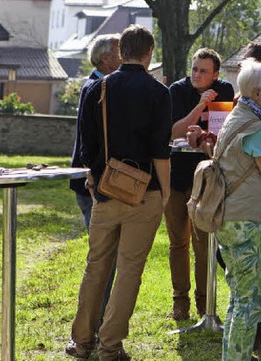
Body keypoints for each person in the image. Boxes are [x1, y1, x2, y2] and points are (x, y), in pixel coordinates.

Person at [66, 25, 171, 361]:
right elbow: (160, 150)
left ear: (122, 51)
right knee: (128, 271)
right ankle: (110, 346)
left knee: (96, 267)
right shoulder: (158, 93)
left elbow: (86, 149)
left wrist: (95, 184)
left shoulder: (98, 87)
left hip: (106, 191)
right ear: (149, 52)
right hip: (146, 191)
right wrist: (165, 192)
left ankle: (82, 342)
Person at [210, 59, 261, 361]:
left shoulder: (235, 118)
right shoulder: (257, 128)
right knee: (249, 303)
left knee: (238, 299)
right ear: (257, 93)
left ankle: (232, 357)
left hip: (228, 219)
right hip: (250, 221)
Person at [166, 48, 234, 321]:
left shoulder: (225, 90)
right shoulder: (177, 90)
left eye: (203, 71)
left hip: (206, 179)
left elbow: (222, 133)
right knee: (177, 243)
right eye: (194, 68)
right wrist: (200, 105)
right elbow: (173, 132)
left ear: (215, 74)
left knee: (203, 244)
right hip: (176, 176)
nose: (197, 74)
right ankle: (179, 301)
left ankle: (205, 305)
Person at [70, 33, 121, 232]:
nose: (124, 57)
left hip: (91, 177)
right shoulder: (98, 87)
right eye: (119, 52)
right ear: (106, 58)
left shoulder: (95, 84)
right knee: (104, 246)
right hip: (92, 179)